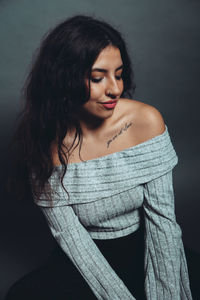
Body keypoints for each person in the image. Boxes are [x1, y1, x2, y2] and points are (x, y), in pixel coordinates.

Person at [6, 15, 193, 300]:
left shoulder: (145, 121)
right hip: (85, 258)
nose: (115, 89)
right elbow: (72, 240)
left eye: (118, 74)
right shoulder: (45, 145)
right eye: (98, 78)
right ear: (63, 78)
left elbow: (163, 221)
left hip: (150, 248)